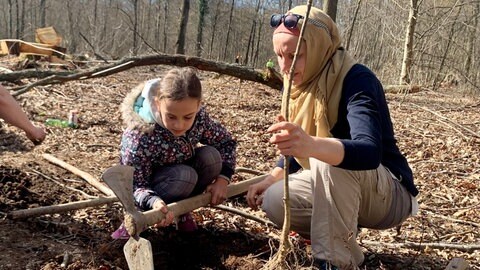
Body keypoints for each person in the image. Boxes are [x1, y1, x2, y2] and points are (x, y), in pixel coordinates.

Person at [246, 6, 419, 269]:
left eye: (295, 55)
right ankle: (343, 242)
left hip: (390, 195)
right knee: (274, 200)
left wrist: (311, 145)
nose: (285, 67)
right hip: (342, 187)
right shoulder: (300, 86)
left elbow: (369, 152)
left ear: (318, 49)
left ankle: (335, 262)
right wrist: (273, 177)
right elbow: (299, 147)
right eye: (280, 56)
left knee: (325, 157)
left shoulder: (356, 79)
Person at [113, 67, 237, 238]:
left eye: (188, 117)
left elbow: (226, 143)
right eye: (171, 116)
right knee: (184, 176)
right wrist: (152, 201)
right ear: (157, 103)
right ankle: (137, 222)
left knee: (211, 158)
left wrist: (223, 179)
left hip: (182, 176)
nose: (179, 125)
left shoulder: (199, 118)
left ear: (199, 105)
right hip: (150, 189)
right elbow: (134, 185)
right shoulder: (141, 134)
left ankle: (182, 211)